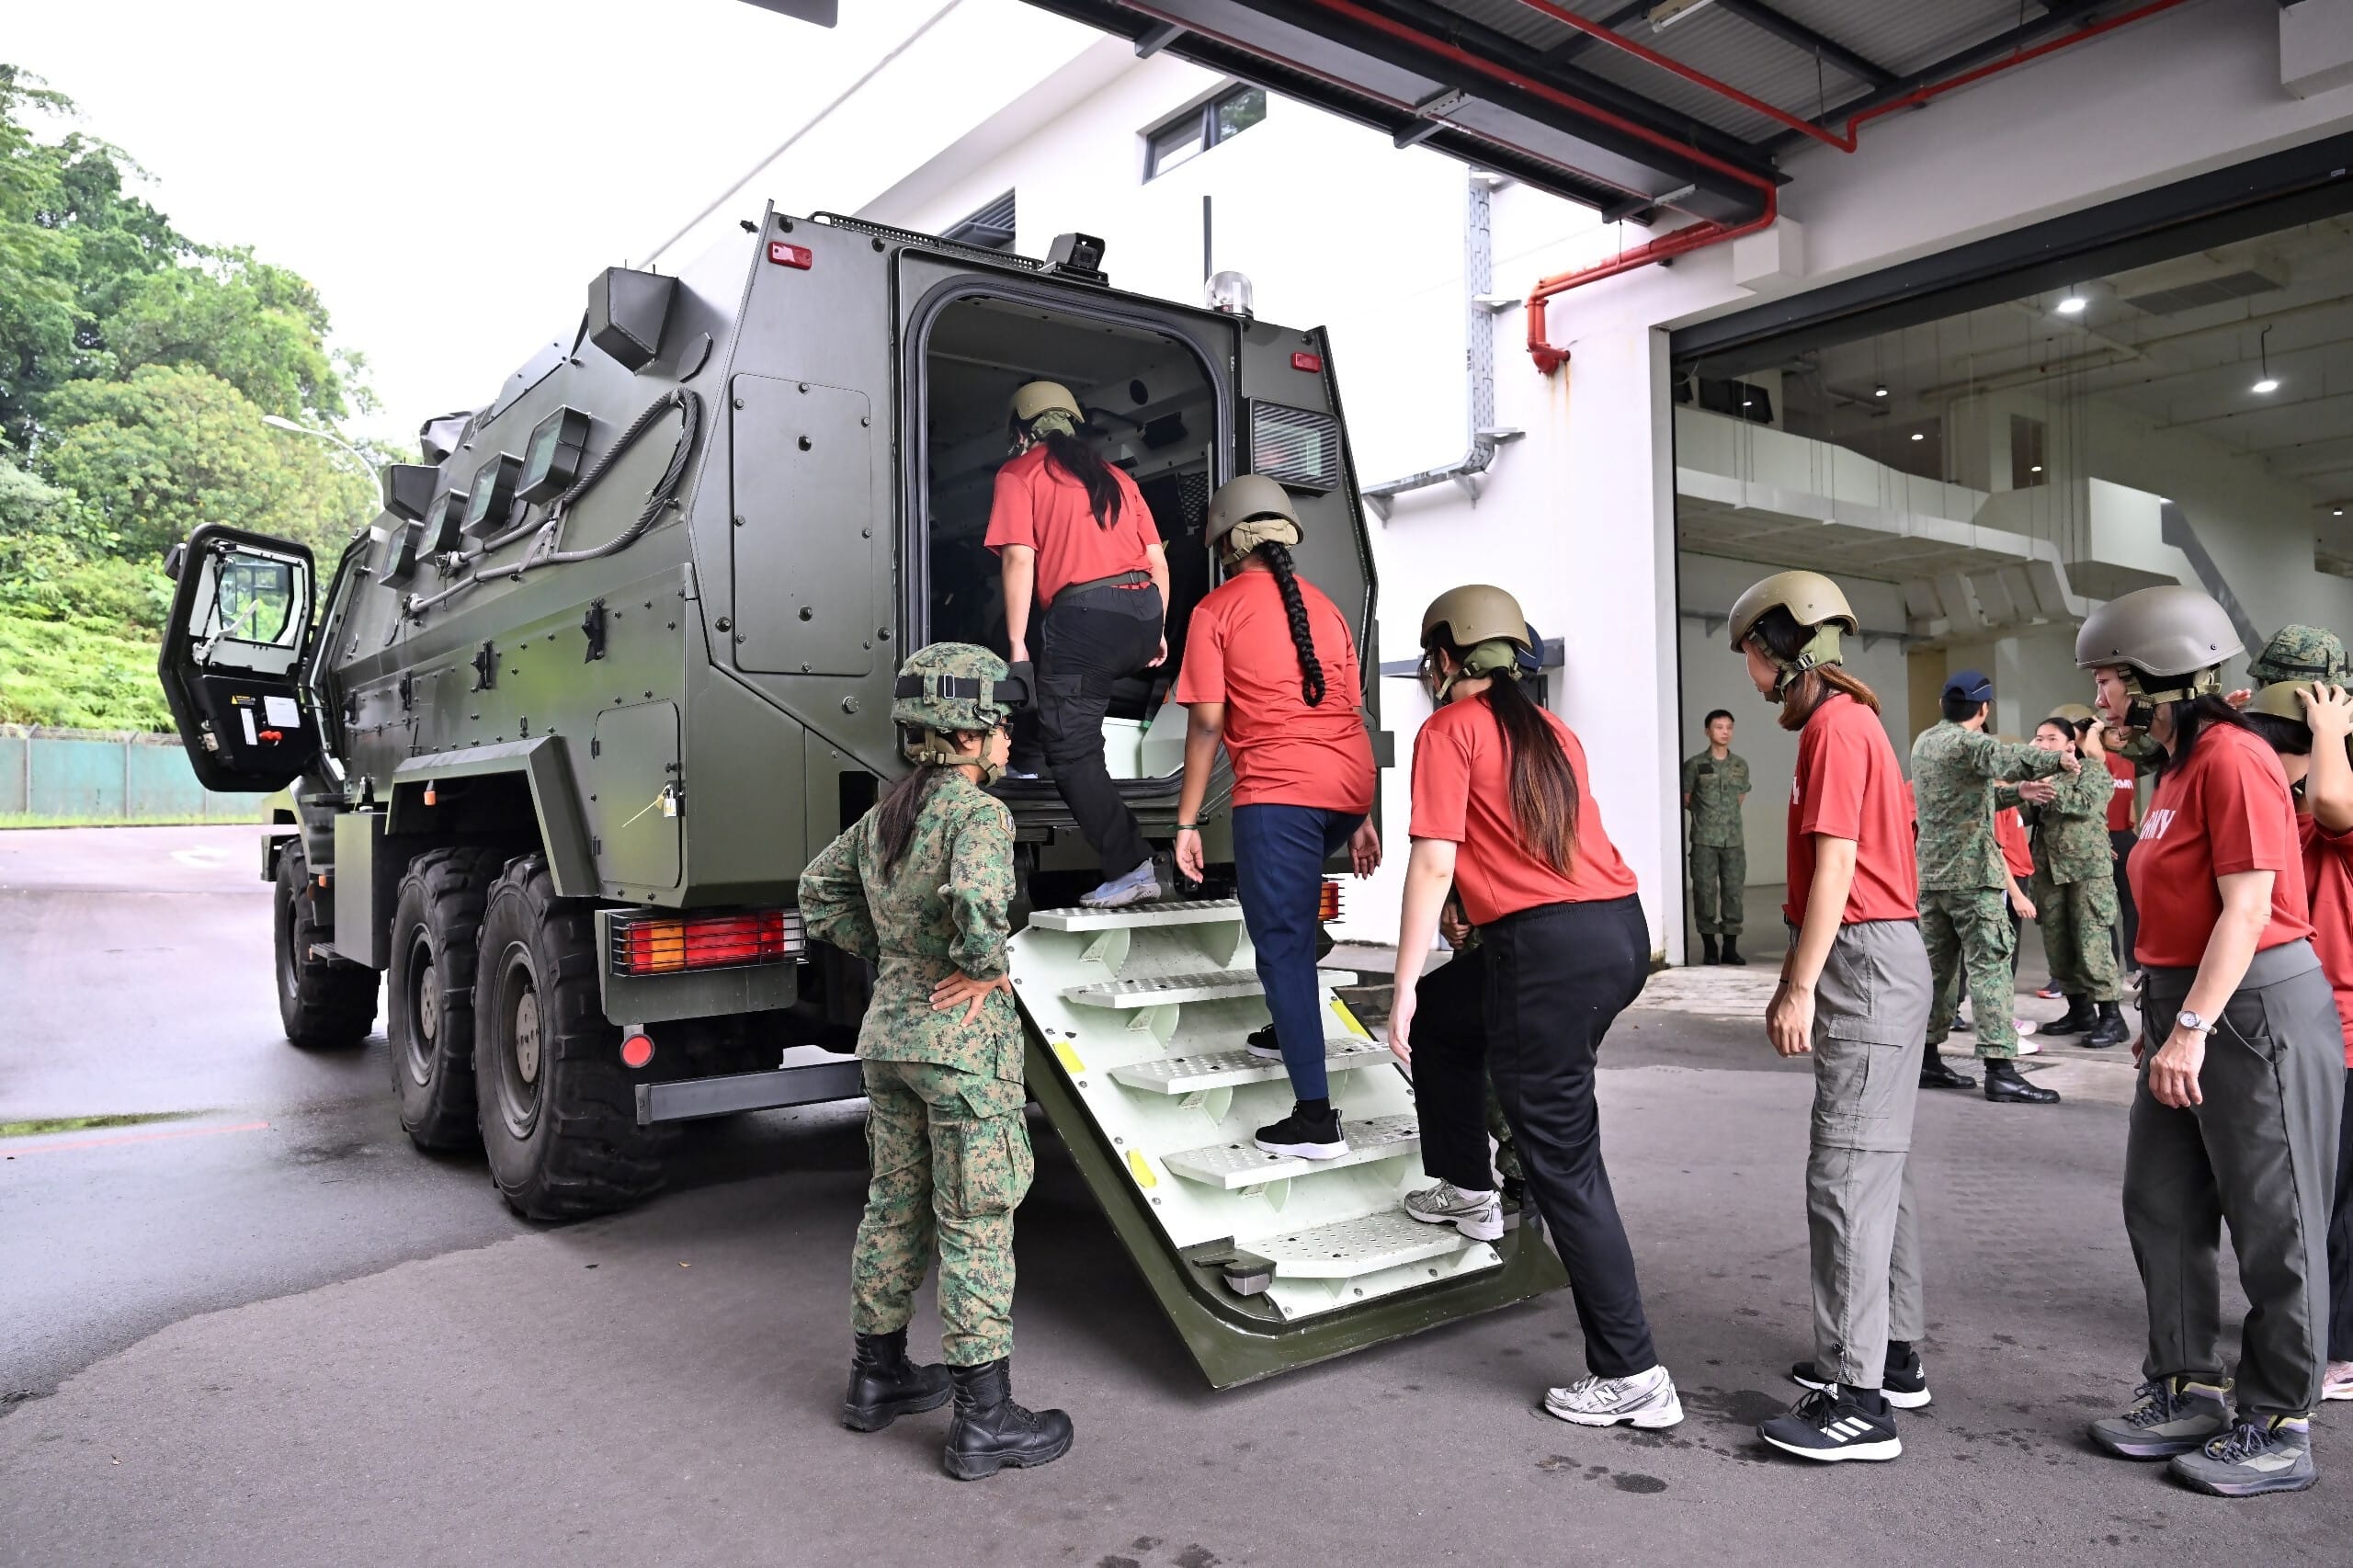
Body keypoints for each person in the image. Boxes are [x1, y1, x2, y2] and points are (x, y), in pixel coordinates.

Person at [1389, 585, 1682, 1430]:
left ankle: (1632, 1373)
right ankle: (1466, 1187)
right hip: (1615, 935)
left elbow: (1434, 861)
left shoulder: (1449, 729)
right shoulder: (1553, 730)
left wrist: (1398, 984)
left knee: (1565, 1162)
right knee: (1449, 1014)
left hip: (1547, 957)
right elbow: (1518, 843)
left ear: (1446, 658)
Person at [2075, 586, 2341, 1497]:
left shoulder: (2234, 757)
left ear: (2157, 677)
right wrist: (2161, 1016)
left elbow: (2250, 906)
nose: (2101, 699)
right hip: (2186, 1006)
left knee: (2276, 1222)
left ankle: (2279, 1422)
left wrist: (2189, 1027)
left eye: (2109, 680)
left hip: (2254, 1010)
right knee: (2160, 1202)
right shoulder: (2178, 768)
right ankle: (2187, 1386)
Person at [797, 642, 1074, 1482]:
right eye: (1001, 725)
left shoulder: (889, 813)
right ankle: (984, 1421)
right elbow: (981, 903)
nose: (1009, 740)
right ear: (970, 734)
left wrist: (897, 959)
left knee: (894, 1205)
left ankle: (876, 1377)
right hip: (958, 1050)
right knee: (975, 1219)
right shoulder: (979, 815)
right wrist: (980, 965)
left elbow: (817, 892)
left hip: (889, 1041)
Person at [1721, 572, 1931, 1462]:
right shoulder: (1850, 723)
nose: (1752, 677)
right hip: (1880, 954)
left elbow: (1837, 866)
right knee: (1877, 1169)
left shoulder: (1836, 730)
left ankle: (1857, 1398)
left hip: (1865, 958)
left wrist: (1799, 985)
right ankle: (1892, 1354)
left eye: (1752, 657)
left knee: (1845, 1172)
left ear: (1784, 651)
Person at [1169, 475, 1381, 1160]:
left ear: (1227, 545)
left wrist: (1187, 821)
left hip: (1282, 795)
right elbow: (1350, 710)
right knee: (1292, 924)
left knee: (1282, 947)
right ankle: (1283, 1026)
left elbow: (1207, 725)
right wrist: (1362, 816)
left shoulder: (1216, 610)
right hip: (1346, 788)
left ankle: (1316, 1122)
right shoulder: (1327, 608)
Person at [985, 380, 1170, 909]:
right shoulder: (1116, 477)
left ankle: (1130, 866)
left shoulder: (1019, 473)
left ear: (1022, 432)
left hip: (1087, 618)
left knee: (1072, 750)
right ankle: (1029, 758)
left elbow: (1019, 558)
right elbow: (1157, 561)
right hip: (1141, 614)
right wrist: (1156, 629)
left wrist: (1016, 644)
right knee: (1063, 699)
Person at [2240, 678, 2353, 1405]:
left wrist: (2327, 728)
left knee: (2338, 1206)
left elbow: (2334, 800)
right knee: (2302, 1198)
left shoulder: (2339, 819)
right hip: (2299, 1027)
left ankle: (2341, 1348)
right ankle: (2309, 1329)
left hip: (2346, 1036)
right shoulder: (2297, 823)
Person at [1910, 669, 2075, 1103]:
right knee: (1990, 969)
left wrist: (2019, 793)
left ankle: (1925, 1059)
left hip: (1933, 878)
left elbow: (1963, 800)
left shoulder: (1926, 742)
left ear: (1943, 705)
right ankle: (2001, 1070)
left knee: (1937, 972)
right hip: (1972, 878)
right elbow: (2007, 758)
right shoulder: (1970, 743)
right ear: (1983, 710)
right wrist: (2057, 760)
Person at [2029, 712, 2131, 1047]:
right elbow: (2020, 812)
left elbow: (2084, 804)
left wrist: (2049, 781)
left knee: (2091, 943)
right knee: (2058, 943)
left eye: (2052, 739)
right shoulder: (2037, 776)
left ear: (2070, 745)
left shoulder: (2092, 771)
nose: (2044, 744)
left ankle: (2112, 1017)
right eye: (2039, 738)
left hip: (2087, 871)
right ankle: (2079, 1011)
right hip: (2050, 872)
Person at [1682, 709, 1752, 965]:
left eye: (1729, 727)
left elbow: (1740, 798)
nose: (1725, 732)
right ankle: (1710, 947)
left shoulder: (1740, 765)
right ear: (1707, 731)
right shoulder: (1694, 765)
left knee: (1733, 893)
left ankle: (1730, 948)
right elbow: (1687, 799)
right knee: (1705, 892)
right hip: (1704, 840)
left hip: (1733, 841)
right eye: (1719, 727)